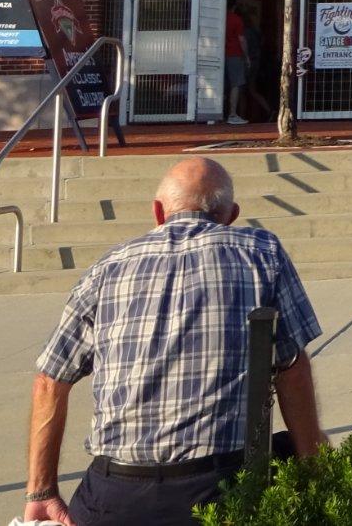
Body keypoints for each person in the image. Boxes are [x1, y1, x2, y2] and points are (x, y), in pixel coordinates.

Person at [21, 157, 326, 525]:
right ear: (231, 216)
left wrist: (41, 491)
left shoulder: (107, 267)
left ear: (158, 212)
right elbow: (292, 369)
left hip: (115, 493)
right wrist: (316, 471)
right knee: (296, 449)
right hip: (219, 489)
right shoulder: (262, 253)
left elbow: (49, 381)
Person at [223, 0, 251, 125]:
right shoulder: (236, 19)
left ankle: (217, 112)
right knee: (235, 85)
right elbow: (241, 39)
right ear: (234, 7)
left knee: (221, 85)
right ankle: (232, 114)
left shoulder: (219, 18)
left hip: (220, 54)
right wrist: (247, 56)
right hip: (234, 54)